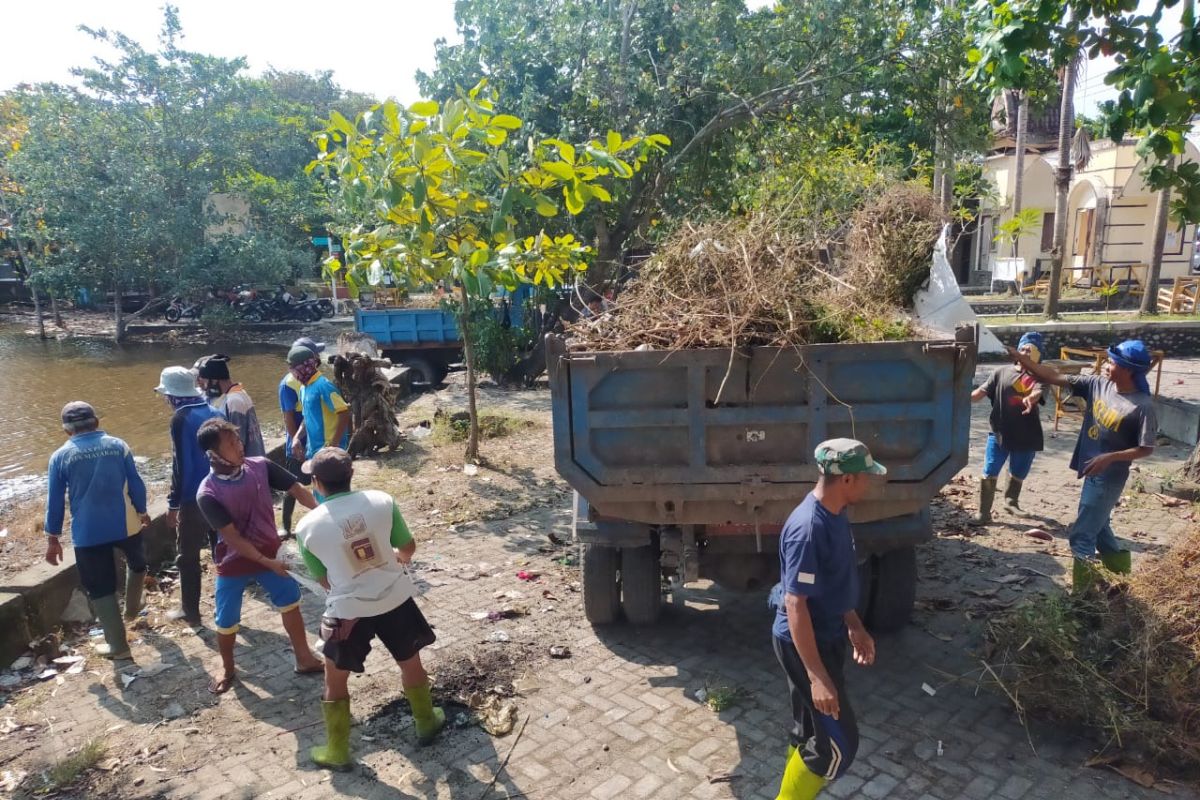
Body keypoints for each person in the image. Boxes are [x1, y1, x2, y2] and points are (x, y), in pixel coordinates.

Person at [296, 447, 444, 768]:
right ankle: (426, 721)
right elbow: (407, 546)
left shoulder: (306, 528)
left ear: (317, 483)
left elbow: (323, 580)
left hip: (346, 611)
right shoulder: (382, 501)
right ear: (351, 475)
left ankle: (336, 750)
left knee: (334, 680)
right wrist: (397, 563)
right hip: (395, 598)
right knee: (410, 662)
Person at [772, 439, 883, 800]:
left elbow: (833, 582)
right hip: (804, 642)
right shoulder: (809, 528)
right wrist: (817, 677)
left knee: (809, 730)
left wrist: (854, 624)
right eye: (866, 476)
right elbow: (795, 604)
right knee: (839, 747)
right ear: (847, 480)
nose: (871, 482)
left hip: (828, 633)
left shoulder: (836, 512)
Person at [1008, 340, 1157, 589]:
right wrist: (1023, 360)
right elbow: (1054, 377)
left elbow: (1146, 448)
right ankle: (1121, 581)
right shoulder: (1099, 385)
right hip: (1091, 470)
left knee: (1082, 535)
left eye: (1112, 363)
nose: (1107, 366)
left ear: (1128, 370)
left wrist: (1110, 457)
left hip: (1109, 478)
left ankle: (1083, 599)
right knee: (1099, 528)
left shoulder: (1142, 406)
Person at [194, 418, 324, 693]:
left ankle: (304, 658)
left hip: (270, 551)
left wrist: (324, 512)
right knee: (227, 620)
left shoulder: (260, 466)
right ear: (213, 455)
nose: (240, 447)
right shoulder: (208, 493)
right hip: (233, 562)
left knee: (290, 602)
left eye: (238, 440)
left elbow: (297, 490)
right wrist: (268, 563)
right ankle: (228, 669)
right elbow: (232, 538)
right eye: (231, 444)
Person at [44, 402, 152, 660]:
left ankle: (119, 646)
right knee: (138, 564)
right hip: (126, 523)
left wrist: (53, 538)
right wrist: (142, 509)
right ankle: (133, 609)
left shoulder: (60, 457)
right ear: (96, 422)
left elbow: (55, 501)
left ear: (66, 430)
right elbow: (136, 483)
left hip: (88, 532)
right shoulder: (118, 445)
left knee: (100, 587)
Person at [156, 365, 223, 625]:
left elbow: (180, 465)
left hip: (194, 498)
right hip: (219, 490)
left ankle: (190, 611)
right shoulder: (213, 409)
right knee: (221, 549)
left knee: (188, 556)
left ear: (172, 395)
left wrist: (173, 505)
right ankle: (226, 603)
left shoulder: (181, 418)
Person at [970, 331, 1046, 522]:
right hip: (998, 433)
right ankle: (983, 512)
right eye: (1022, 348)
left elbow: (1038, 391)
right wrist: (959, 396)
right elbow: (979, 393)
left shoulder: (1040, 375)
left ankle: (1011, 502)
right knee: (989, 470)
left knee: (1019, 471)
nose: (1025, 353)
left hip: (1027, 435)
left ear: (1038, 355)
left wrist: (1031, 397)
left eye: (1030, 350)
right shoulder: (1000, 372)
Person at [279, 338, 325, 536]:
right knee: (292, 485)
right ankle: (285, 526)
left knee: (320, 481)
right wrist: (295, 442)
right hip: (300, 441)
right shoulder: (288, 385)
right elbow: (289, 416)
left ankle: (323, 517)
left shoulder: (316, 380)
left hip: (316, 440)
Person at [288, 345, 350, 467]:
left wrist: (334, 445)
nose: (292, 374)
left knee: (331, 485)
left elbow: (344, 412)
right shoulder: (303, 388)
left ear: (303, 368)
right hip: (314, 451)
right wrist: (296, 438)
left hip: (330, 453)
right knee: (318, 485)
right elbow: (307, 418)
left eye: (293, 369)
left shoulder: (323, 386)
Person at [195, 354, 265, 457]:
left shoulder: (233, 402)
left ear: (214, 380)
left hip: (247, 464)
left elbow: (235, 443)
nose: (199, 383)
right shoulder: (236, 393)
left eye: (202, 379)